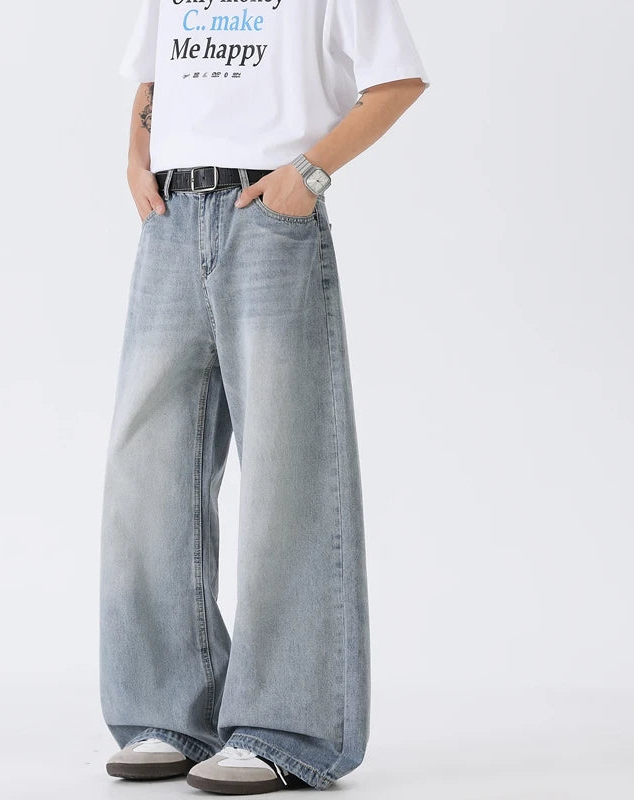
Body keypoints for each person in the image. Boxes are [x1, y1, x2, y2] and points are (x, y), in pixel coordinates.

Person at [100, 0, 430, 792]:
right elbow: (152, 77)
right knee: (147, 473)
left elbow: (398, 80)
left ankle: (288, 729)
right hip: (171, 215)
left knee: (289, 472)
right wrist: (137, 160)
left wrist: (307, 175)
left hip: (270, 215)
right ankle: (167, 713)